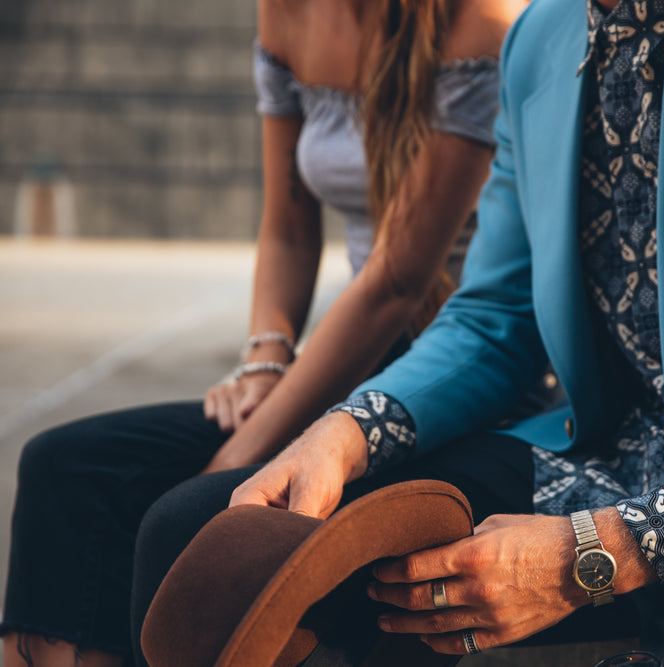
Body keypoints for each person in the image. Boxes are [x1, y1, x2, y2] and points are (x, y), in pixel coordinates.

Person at [131, 0, 664, 665]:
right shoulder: (541, 37)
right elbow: (495, 319)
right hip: (602, 458)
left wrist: (591, 555)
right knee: (206, 540)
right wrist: (347, 433)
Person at [1, 0, 530, 665]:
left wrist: (241, 454)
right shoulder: (285, 10)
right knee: (63, 466)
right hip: (349, 355)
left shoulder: (476, 22)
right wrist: (264, 362)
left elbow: (396, 283)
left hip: (449, 367)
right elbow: (286, 224)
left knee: (191, 509)